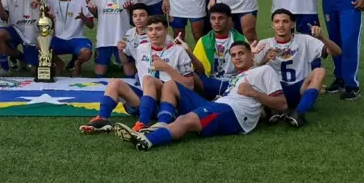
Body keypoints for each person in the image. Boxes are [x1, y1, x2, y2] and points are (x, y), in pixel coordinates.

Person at [114, 41, 287, 150]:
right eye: (233, 55)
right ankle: (162, 124)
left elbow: (282, 104)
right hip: (219, 104)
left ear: (251, 55)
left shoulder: (264, 70)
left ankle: (147, 140)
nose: (237, 58)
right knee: (171, 84)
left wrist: (254, 93)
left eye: (241, 53)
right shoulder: (237, 77)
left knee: (186, 120)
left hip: (234, 113)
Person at [80, 15, 193, 134]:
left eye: (158, 29)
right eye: (150, 29)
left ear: (166, 31)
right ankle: (102, 119)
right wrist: (120, 50)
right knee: (114, 83)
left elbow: (190, 85)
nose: (154, 33)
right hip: (147, 99)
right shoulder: (141, 48)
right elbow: (125, 62)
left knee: (148, 79)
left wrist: (167, 68)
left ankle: (143, 123)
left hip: (168, 102)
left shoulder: (178, 51)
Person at [252, 9, 341, 126]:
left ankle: (298, 113)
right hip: (275, 91)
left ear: (293, 24)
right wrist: (264, 60)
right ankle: (272, 109)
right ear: (272, 25)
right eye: (277, 22)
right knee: (256, 78)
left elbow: (337, 52)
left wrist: (322, 38)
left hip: (299, 88)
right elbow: (251, 74)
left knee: (320, 71)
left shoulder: (304, 40)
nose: (281, 25)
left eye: (285, 21)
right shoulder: (264, 44)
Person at [87, 0, 136, 76]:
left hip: (122, 35)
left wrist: (130, 8)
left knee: (130, 73)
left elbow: (136, 11)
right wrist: (93, 10)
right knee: (99, 74)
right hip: (104, 36)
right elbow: (96, 14)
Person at [191, 3, 245, 98]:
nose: (216, 22)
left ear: (229, 20)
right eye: (213, 18)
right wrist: (187, 51)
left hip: (234, 81)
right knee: (190, 76)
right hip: (211, 82)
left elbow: (249, 68)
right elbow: (198, 70)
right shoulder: (203, 41)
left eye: (220, 18)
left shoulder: (241, 40)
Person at [47, 0, 93, 76]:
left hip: (76, 39)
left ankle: (77, 64)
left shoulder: (80, 0)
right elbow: (47, 27)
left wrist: (83, 17)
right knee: (39, 46)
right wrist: (49, 19)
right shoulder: (51, 1)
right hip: (58, 39)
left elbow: (91, 25)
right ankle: (59, 63)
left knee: (86, 53)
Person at [118, 3, 151, 78]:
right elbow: (124, 61)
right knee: (127, 68)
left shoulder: (154, 31)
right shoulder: (129, 33)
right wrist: (120, 50)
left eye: (142, 15)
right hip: (141, 67)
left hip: (156, 66)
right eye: (135, 16)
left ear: (149, 17)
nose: (138, 18)